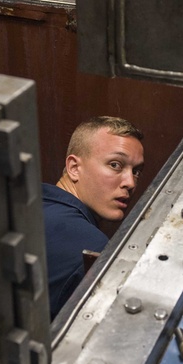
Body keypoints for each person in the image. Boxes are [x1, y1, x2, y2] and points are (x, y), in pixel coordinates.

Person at [43, 116, 145, 316]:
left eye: (136, 171)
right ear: (74, 168)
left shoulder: (32, 204)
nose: (130, 182)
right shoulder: (91, 248)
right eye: (115, 164)